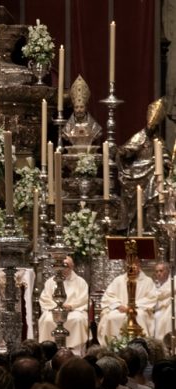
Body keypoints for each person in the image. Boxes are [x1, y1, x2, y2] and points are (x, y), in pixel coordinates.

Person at [117, 97, 169, 232]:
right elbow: (126, 150)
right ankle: (133, 226)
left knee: (156, 179)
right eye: (150, 123)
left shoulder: (158, 140)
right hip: (136, 172)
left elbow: (165, 157)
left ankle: (150, 225)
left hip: (152, 174)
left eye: (154, 124)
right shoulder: (140, 136)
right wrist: (121, 152)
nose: (151, 126)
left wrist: (165, 163)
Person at [98, 261, 156, 345]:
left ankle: (140, 346)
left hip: (139, 309)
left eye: (136, 265)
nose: (133, 268)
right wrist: (118, 305)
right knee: (110, 318)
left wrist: (133, 306)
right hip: (120, 309)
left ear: (139, 266)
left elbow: (151, 298)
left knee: (140, 317)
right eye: (130, 265)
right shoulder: (118, 280)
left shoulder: (147, 281)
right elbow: (109, 295)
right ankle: (113, 346)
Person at [37, 256, 89, 350]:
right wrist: (57, 306)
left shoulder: (80, 282)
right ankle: (49, 349)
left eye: (67, 266)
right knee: (47, 320)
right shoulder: (50, 281)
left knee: (78, 320)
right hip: (54, 311)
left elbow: (84, 299)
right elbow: (45, 299)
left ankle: (75, 349)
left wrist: (71, 306)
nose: (64, 269)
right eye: (62, 266)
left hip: (74, 311)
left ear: (72, 266)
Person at [62, 75, 102, 148]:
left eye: (81, 107)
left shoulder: (94, 126)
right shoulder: (67, 128)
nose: (79, 110)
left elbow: (97, 134)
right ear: (73, 108)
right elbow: (65, 136)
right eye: (76, 107)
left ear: (86, 107)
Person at [151, 262, 175, 340]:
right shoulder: (154, 285)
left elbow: (166, 292)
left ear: (167, 271)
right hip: (158, 310)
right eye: (157, 271)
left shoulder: (174, 280)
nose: (158, 273)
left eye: (161, 271)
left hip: (171, 307)